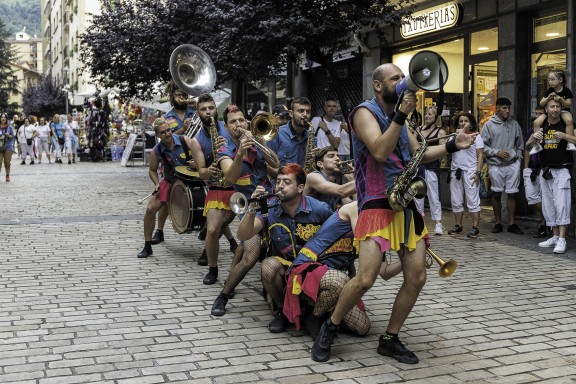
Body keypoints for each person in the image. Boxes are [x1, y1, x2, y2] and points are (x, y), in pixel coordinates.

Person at [311, 63, 477, 364]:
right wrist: (400, 114)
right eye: (396, 79)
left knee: (417, 276)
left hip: (404, 200)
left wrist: (454, 144)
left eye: (404, 78)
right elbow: (378, 150)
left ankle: (390, 338)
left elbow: (419, 155)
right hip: (376, 200)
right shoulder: (365, 112)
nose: (403, 83)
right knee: (366, 278)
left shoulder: (403, 119)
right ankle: (330, 326)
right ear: (378, 85)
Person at [236, 163, 334, 333]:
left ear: (300, 187)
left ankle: (313, 312)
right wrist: (251, 208)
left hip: (314, 269)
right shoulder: (270, 209)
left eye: (287, 182)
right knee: (267, 266)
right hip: (285, 271)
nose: (280, 185)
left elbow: (338, 235)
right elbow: (244, 235)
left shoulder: (320, 209)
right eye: (278, 181)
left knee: (360, 326)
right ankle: (285, 312)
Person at [285, 201, 403, 339]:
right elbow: (363, 243)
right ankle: (313, 317)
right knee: (340, 280)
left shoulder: (380, 227)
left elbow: (385, 272)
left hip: (335, 276)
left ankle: (324, 310)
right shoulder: (357, 208)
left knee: (362, 327)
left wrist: (407, 262)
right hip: (308, 267)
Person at [210, 104, 280, 316]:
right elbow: (231, 177)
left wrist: (257, 142)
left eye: (241, 120)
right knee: (250, 255)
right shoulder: (224, 150)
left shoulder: (256, 140)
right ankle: (223, 296)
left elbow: (276, 163)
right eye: (233, 122)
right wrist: (240, 151)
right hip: (248, 205)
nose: (238, 125)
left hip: (272, 201)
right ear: (226, 126)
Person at [189, 93, 236, 284]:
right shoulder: (196, 141)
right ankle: (213, 269)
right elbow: (201, 172)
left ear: (216, 108)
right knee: (213, 229)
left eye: (211, 108)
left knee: (225, 224)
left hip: (238, 185)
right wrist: (209, 169)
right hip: (217, 187)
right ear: (198, 112)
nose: (208, 112)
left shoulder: (230, 128)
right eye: (204, 109)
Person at [148, 81, 199, 246]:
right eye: (179, 95)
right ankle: (159, 231)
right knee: (166, 199)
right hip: (174, 163)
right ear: (172, 97)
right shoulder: (166, 117)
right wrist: (182, 129)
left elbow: (208, 122)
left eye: (185, 95)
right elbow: (165, 138)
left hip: (196, 159)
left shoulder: (195, 111)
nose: (182, 98)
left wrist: (196, 104)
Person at [137, 117, 195, 258]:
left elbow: (202, 157)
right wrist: (157, 184)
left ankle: (230, 241)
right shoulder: (156, 151)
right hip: (170, 181)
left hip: (190, 181)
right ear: (157, 135)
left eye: (168, 130)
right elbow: (152, 170)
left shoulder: (185, 141)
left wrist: (197, 162)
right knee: (150, 209)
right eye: (163, 132)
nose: (167, 134)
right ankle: (147, 245)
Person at [526, 99, 574, 254]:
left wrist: (565, 136)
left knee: (562, 205)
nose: (555, 109)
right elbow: (527, 147)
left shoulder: (566, 123)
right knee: (548, 206)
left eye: (558, 106)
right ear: (546, 109)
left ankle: (562, 238)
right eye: (552, 106)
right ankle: (554, 236)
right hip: (545, 171)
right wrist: (534, 138)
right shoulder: (541, 125)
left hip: (562, 170)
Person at [480, 97, 525, 234]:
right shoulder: (488, 125)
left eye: (508, 108)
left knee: (512, 194)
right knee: (496, 193)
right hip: (496, 165)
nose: (507, 111)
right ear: (497, 108)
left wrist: (518, 159)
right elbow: (482, 146)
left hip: (512, 164)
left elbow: (520, 145)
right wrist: (496, 152)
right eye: (504, 108)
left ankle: (511, 223)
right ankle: (498, 222)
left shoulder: (514, 124)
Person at [446, 112, 484, 238]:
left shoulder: (477, 137)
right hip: (455, 171)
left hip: (471, 171)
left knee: (473, 200)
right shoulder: (452, 137)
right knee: (456, 200)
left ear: (471, 123)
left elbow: (480, 156)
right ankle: (458, 225)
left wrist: (478, 172)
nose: (463, 123)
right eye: (461, 121)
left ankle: (475, 227)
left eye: (465, 121)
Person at [414, 106, 446, 235]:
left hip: (432, 167)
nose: (427, 116)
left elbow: (442, 150)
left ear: (435, 117)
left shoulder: (440, 132)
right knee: (417, 196)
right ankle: (419, 222)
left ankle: (438, 224)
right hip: (418, 167)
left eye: (430, 114)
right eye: (426, 114)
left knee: (434, 196)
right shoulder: (418, 130)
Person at [267, 97, 316, 175]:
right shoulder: (277, 134)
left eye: (308, 111)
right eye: (301, 111)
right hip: (280, 183)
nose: (305, 115)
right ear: (291, 113)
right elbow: (267, 165)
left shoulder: (312, 137)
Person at [303, 146, 356, 211]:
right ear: (320, 164)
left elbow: (355, 206)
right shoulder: (313, 176)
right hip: (310, 219)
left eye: (337, 156)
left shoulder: (337, 181)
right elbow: (340, 191)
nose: (337, 159)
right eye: (331, 156)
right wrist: (362, 179)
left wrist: (351, 178)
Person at [523, 105, 547, 238]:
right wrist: (526, 168)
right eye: (536, 114)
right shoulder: (532, 130)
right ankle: (547, 218)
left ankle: (544, 224)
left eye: (540, 114)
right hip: (532, 167)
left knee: (546, 198)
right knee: (531, 198)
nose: (537, 117)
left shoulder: (549, 129)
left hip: (544, 167)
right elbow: (527, 149)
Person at [534, 70, 574, 145]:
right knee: (536, 122)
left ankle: (570, 143)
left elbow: (568, 104)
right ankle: (537, 144)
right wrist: (548, 98)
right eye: (549, 80)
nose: (550, 82)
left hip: (564, 111)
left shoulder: (566, 90)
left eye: (552, 79)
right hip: (549, 111)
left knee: (569, 120)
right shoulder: (550, 90)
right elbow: (541, 103)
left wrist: (561, 100)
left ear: (560, 80)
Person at [0, 113, 16, 182]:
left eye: (4, 117)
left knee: (7, 162)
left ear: (6, 119)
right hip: (0, 146)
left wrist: (8, 135)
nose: (3, 118)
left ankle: (7, 175)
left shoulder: (10, 127)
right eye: (2, 117)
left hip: (8, 146)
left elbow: (13, 137)